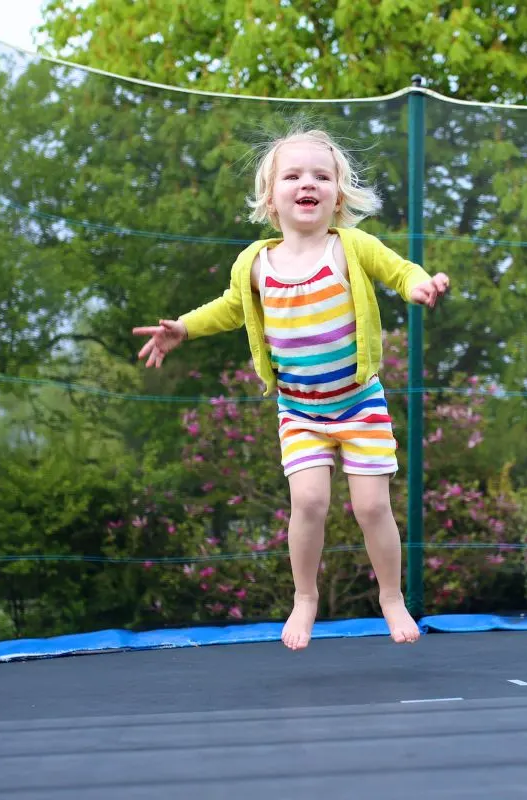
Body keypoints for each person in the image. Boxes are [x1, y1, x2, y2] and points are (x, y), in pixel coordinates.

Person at [133, 128, 449, 650]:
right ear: (271, 196)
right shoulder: (256, 264)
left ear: (338, 196)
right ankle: (305, 598)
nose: (309, 183)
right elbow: (231, 308)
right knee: (309, 501)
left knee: (372, 507)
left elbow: (399, 270)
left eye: (322, 177)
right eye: (294, 176)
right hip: (299, 411)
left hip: (359, 402)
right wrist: (183, 328)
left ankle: (391, 597)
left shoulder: (350, 247)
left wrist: (419, 286)